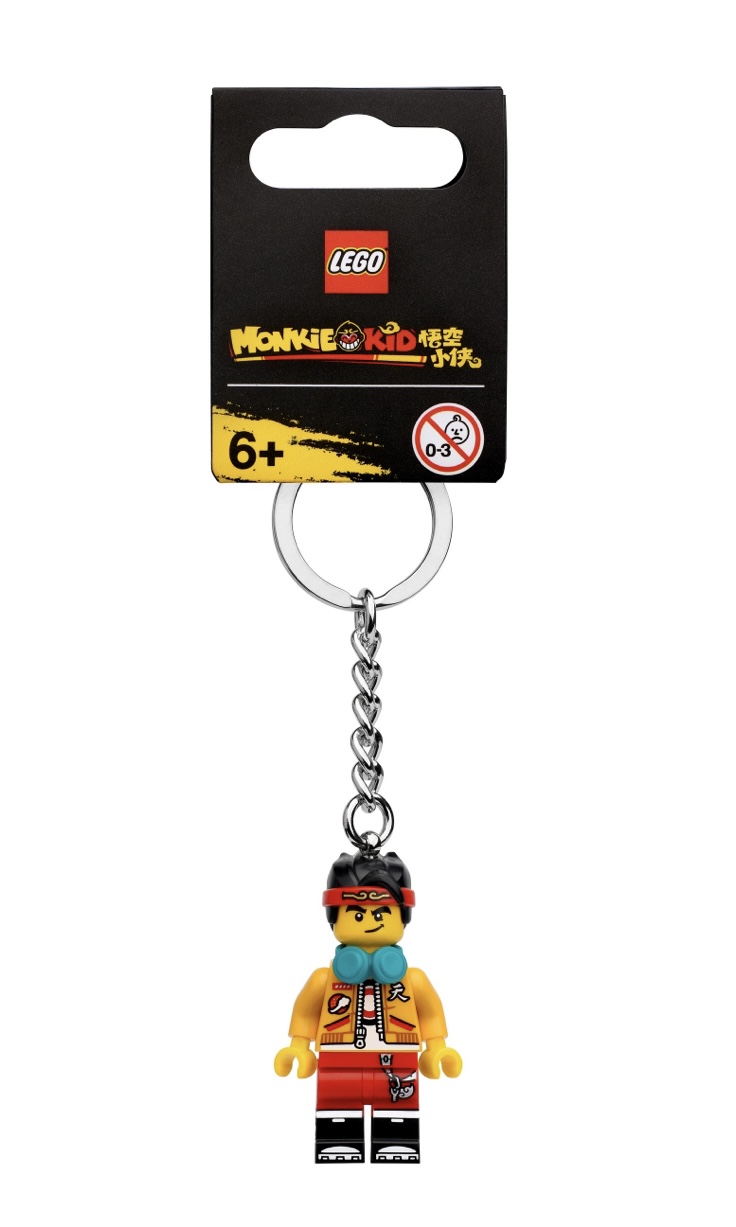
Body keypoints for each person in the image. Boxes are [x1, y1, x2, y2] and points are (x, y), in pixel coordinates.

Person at [274, 850, 462, 1163]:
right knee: (338, 1106)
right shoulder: (324, 978)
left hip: (397, 1059)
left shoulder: (413, 979)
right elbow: (306, 1011)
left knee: (397, 1106)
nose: (371, 922)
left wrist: (437, 1049)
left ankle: (396, 1143)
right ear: (335, 919)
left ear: (402, 918)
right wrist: (298, 1047)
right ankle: (339, 1143)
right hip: (338, 1058)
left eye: (381, 914)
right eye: (357, 915)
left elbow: (430, 1012)